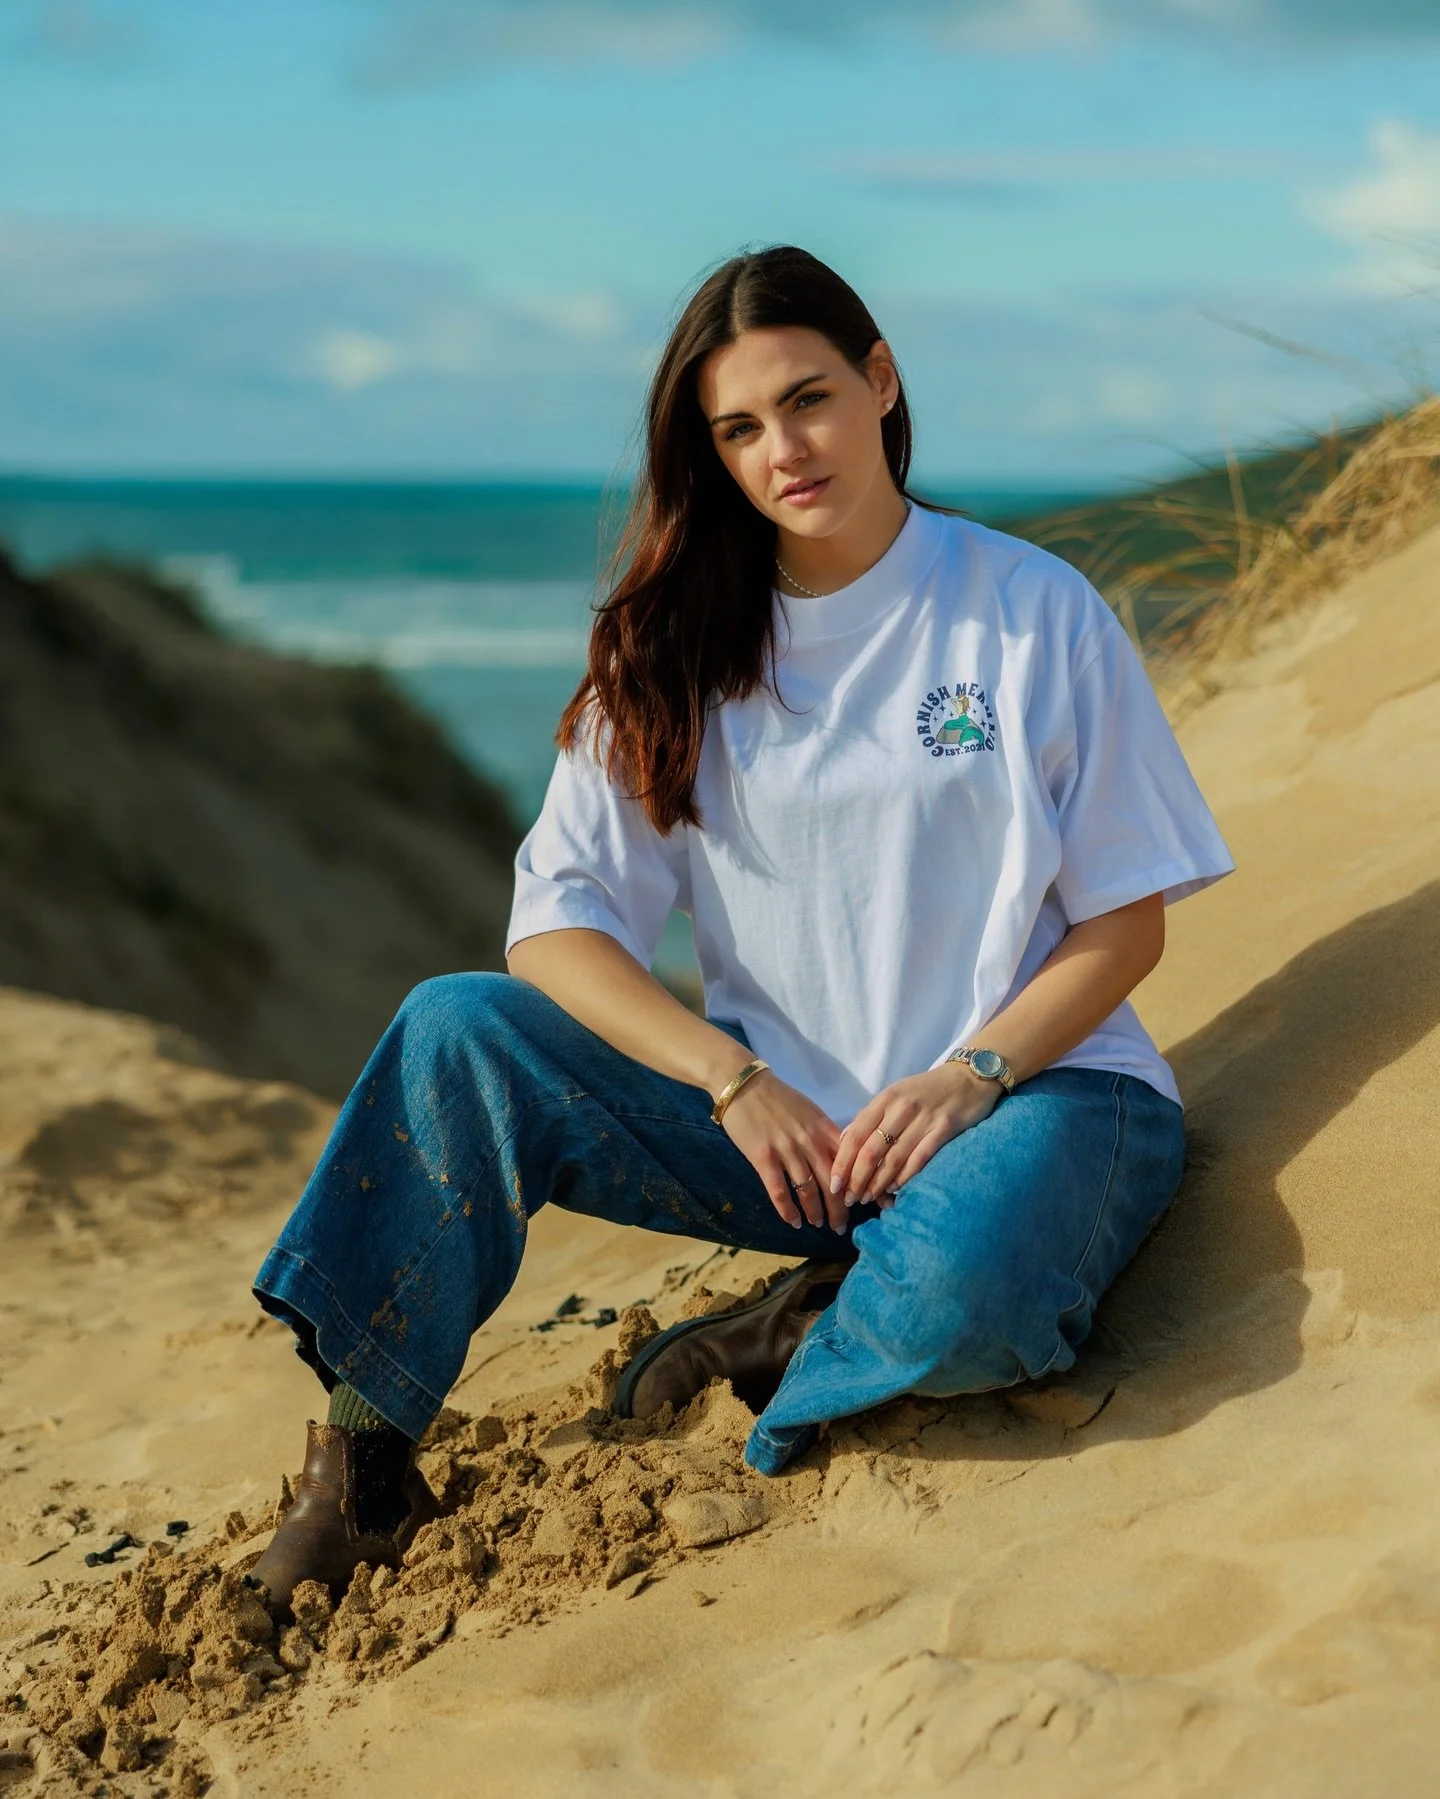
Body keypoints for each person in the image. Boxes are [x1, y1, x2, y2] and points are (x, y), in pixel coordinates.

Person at [247, 244, 1234, 1614]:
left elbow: (1124, 925)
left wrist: (970, 1075)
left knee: (969, 1298)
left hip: (1039, 1095)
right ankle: (364, 1462)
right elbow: (558, 926)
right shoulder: (673, 649)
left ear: (881, 381)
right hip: (797, 1141)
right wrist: (733, 1076)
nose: (785, 450)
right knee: (454, 1026)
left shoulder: (1027, 611)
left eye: (810, 399)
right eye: (740, 428)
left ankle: (799, 1341)